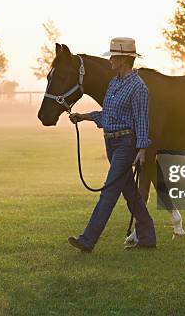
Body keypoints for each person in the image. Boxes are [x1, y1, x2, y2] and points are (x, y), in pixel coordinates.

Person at [67, 37, 157, 252]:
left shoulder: (138, 87)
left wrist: (142, 150)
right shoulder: (114, 83)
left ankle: (87, 240)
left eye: (114, 57)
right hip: (111, 142)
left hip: (126, 144)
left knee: (108, 193)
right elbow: (107, 114)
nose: (110, 60)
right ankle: (147, 237)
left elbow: (142, 119)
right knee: (130, 194)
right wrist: (83, 117)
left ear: (124, 59)